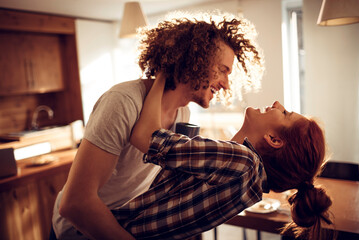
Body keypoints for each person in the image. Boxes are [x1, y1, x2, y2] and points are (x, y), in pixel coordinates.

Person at [52, 11, 263, 240]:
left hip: (120, 223)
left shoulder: (183, 112)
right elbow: (76, 204)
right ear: (195, 59)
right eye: (223, 70)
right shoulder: (123, 102)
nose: (225, 83)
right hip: (80, 229)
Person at [112, 73, 333, 240]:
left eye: (285, 114)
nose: (277, 104)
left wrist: (162, 74)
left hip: (113, 228)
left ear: (274, 139)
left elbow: (144, 137)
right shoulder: (251, 188)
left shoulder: (243, 163)